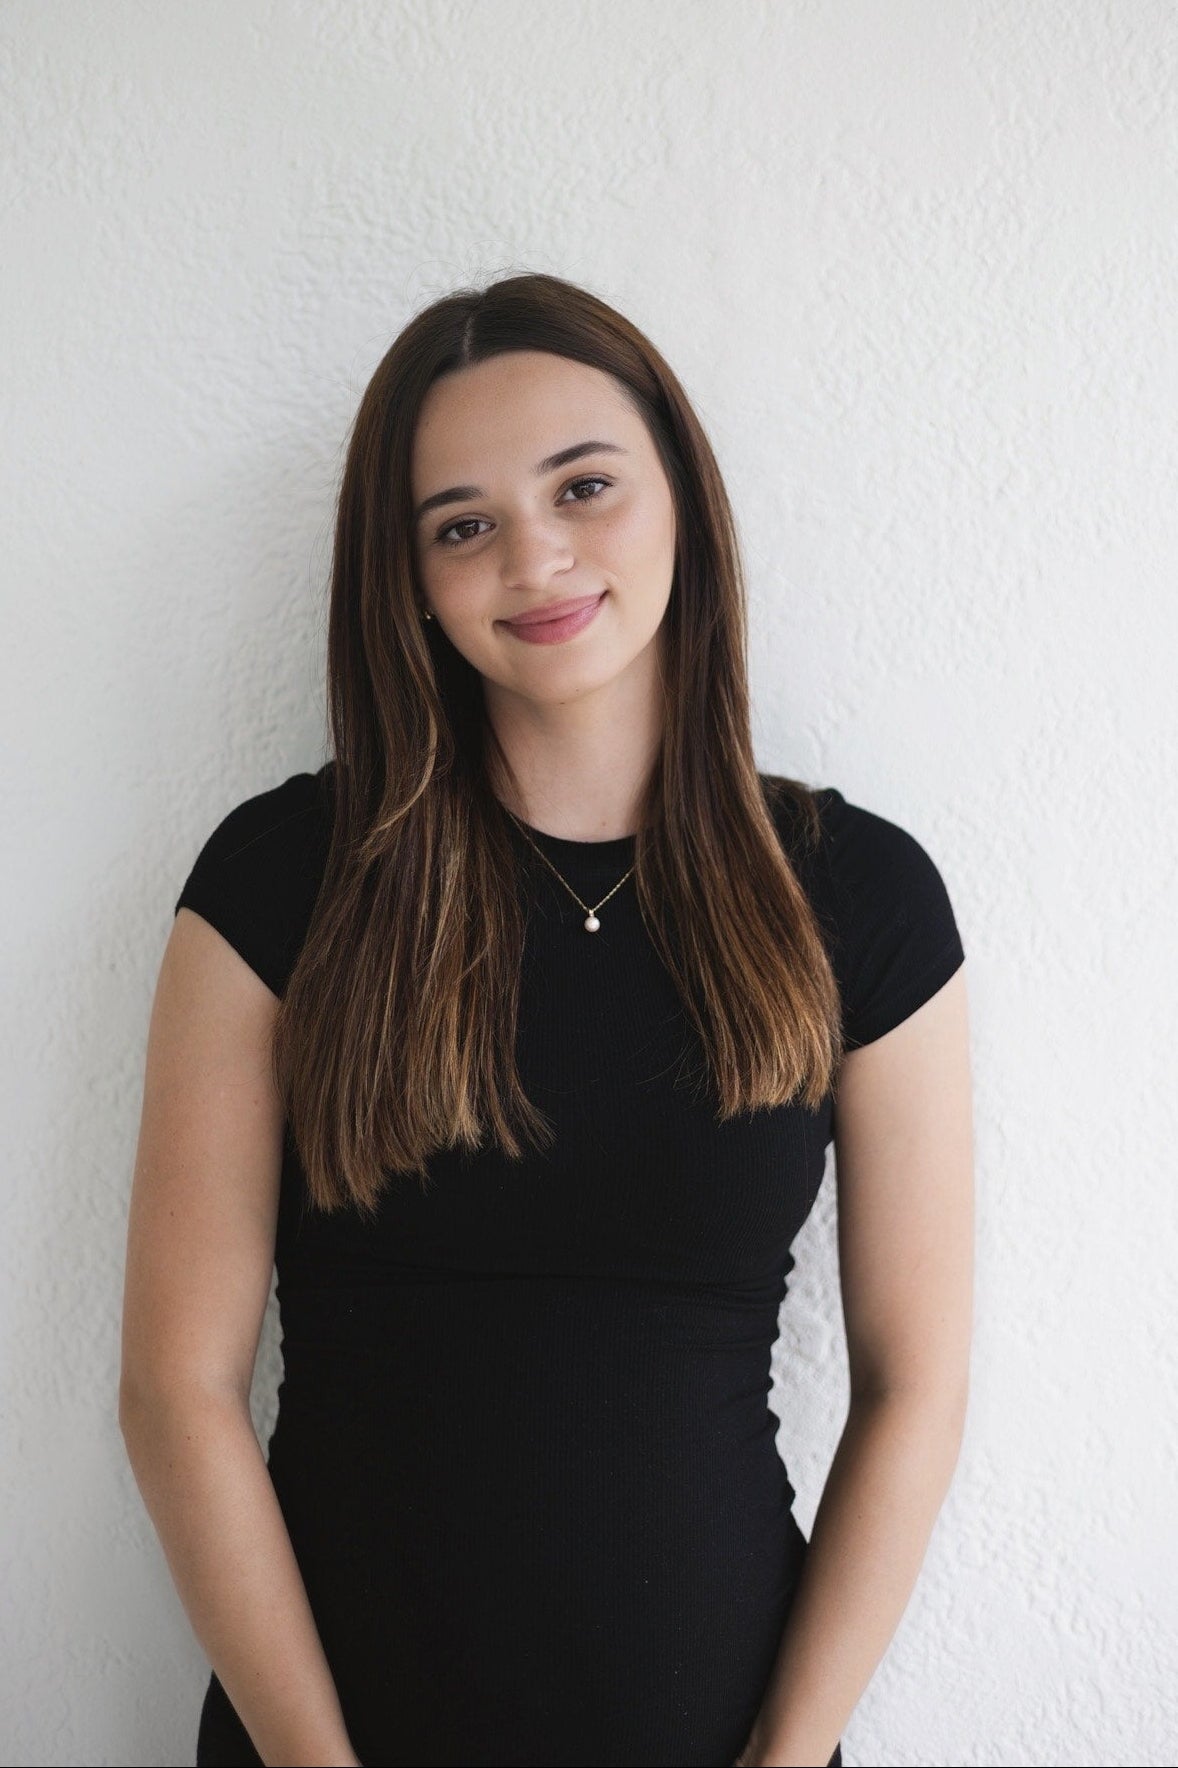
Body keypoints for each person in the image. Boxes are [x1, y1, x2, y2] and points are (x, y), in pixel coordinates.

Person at [119, 272, 973, 1768]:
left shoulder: (860, 898)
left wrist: (786, 1758)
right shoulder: (279, 881)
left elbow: (915, 1384)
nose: (536, 556)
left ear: (683, 502)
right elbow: (174, 1388)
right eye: (463, 524)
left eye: (584, 485)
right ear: (410, 581)